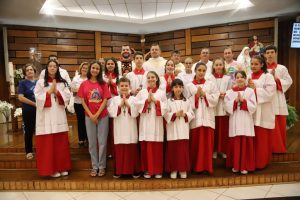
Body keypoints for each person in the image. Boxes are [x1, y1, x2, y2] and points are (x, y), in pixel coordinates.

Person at [34, 60, 71, 178]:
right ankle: (51, 169)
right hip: (46, 117)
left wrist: (57, 92)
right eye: (50, 66)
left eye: (55, 66)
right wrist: (49, 92)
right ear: (47, 68)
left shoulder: (63, 82)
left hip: (59, 115)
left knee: (60, 144)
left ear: (58, 68)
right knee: (48, 145)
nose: (52, 68)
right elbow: (37, 98)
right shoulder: (40, 82)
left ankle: (62, 167)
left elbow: (67, 97)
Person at [77, 60, 111, 177]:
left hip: (103, 116)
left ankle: (102, 166)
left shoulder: (103, 84)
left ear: (100, 70)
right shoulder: (84, 84)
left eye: (97, 68)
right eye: (93, 68)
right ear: (89, 69)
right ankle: (94, 166)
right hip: (89, 116)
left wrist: (97, 114)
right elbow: (82, 100)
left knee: (102, 142)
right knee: (92, 143)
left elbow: (105, 100)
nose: (95, 70)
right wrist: (91, 115)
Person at [186, 62, 219, 174]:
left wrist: (205, 95)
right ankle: (196, 167)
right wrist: (195, 96)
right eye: (199, 70)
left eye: (203, 71)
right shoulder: (189, 85)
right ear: (195, 71)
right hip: (196, 118)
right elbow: (185, 101)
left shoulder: (210, 84)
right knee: (195, 144)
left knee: (207, 145)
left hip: (208, 118)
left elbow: (215, 99)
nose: (201, 72)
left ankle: (207, 167)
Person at [135, 71, 167, 178]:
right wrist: (146, 101)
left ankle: (157, 170)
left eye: (153, 77)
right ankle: (147, 170)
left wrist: (155, 101)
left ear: (157, 79)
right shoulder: (142, 92)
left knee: (156, 148)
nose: (150, 79)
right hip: (145, 123)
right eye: (148, 77)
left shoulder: (162, 93)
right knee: (145, 147)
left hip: (156, 123)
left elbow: (166, 108)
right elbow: (136, 105)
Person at [224, 70, 257, 175]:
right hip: (235, 119)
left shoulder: (250, 91)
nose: (239, 79)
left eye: (241, 77)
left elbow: (254, 106)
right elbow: (226, 106)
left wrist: (244, 101)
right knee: (236, 142)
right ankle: (236, 166)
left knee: (245, 142)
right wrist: (235, 102)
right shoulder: (229, 92)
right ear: (235, 79)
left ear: (245, 78)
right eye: (237, 77)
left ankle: (244, 166)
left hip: (246, 119)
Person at [108, 77, 141, 178]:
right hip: (119, 128)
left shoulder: (134, 99)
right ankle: (119, 171)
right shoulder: (114, 99)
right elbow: (111, 113)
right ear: (118, 87)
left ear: (130, 87)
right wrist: (119, 106)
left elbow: (136, 113)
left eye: (126, 85)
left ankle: (134, 170)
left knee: (131, 148)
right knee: (119, 149)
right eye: (122, 86)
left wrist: (128, 105)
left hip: (131, 128)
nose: (124, 87)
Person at [248, 55, 276, 169]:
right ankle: (251, 162)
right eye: (252, 64)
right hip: (251, 112)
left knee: (262, 139)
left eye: (256, 64)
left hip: (263, 112)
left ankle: (261, 162)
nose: (253, 66)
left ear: (262, 65)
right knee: (252, 139)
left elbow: (270, 94)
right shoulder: (248, 76)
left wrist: (255, 89)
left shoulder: (267, 76)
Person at [264, 45, 293, 153]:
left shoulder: (281, 68)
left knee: (278, 123)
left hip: (278, 98)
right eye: (268, 53)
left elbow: (289, 81)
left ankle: (278, 148)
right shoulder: (262, 69)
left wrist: (276, 79)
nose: (270, 54)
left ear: (275, 54)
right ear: (265, 55)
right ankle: (267, 147)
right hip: (267, 99)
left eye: (272, 52)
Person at [164, 79, 194, 179]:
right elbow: (165, 114)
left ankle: (182, 169)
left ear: (183, 88)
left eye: (180, 87)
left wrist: (185, 114)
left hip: (183, 129)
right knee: (173, 150)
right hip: (172, 129)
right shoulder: (168, 101)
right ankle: (173, 170)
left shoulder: (187, 101)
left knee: (182, 151)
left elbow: (191, 114)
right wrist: (174, 114)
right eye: (176, 87)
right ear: (172, 88)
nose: (178, 89)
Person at [209, 57, 231, 159]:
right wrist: (217, 95)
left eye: (220, 65)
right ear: (213, 66)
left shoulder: (227, 78)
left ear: (223, 66)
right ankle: (214, 150)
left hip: (223, 107)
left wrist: (225, 95)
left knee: (223, 131)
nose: (218, 67)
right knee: (215, 131)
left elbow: (231, 91)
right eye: (216, 65)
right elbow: (208, 91)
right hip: (213, 108)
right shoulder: (209, 78)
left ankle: (222, 150)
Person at [18, 64, 37, 160]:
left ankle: (41, 149)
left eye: (31, 69)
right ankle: (29, 151)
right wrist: (34, 104)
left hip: (40, 110)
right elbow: (20, 97)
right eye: (28, 70)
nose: (30, 71)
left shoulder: (39, 82)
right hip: (28, 110)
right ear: (25, 72)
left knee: (39, 130)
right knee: (29, 130)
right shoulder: (23, 83)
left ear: (34, 71)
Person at [103, 57, 120, 158]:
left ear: (115, 65)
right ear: (105, 65)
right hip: (105, 104)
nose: (110, 65)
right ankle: (107, 150)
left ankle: (114, 150)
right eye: (108, 64)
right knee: (106, 130)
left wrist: (112, 84)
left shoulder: (119, 76)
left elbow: (121, 89)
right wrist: (106, 84)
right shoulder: (102, 77)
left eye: (112, 64)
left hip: (116, 103)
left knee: (114, 129)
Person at [71, 62, 88, 147]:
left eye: (86, 68)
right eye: (83, 68)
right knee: (80, 121)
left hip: (89, 104)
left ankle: (88, 138)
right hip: (78, 103)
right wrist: (84, 91)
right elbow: (73, 90)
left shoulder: (90, 78)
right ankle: (81, 139)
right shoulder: (76, 78)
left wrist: (80, 90)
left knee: (88, 122)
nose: (84, 69)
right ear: (80, 69)